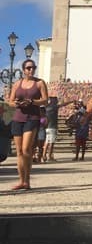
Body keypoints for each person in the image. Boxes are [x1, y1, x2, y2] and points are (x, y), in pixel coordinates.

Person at [8, 59, 48, 191]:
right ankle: (21, 180)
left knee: (26, 149)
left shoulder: (39, 83)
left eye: (33, 68)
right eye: (28, 68)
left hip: (32, 118)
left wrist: (32, 102)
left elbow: (45, 100)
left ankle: (27, 180)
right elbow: (10, 101)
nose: (31, 70)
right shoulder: (17, 84)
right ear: (24, 70)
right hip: (18, 118)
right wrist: (17, 104)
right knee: (19, 151)